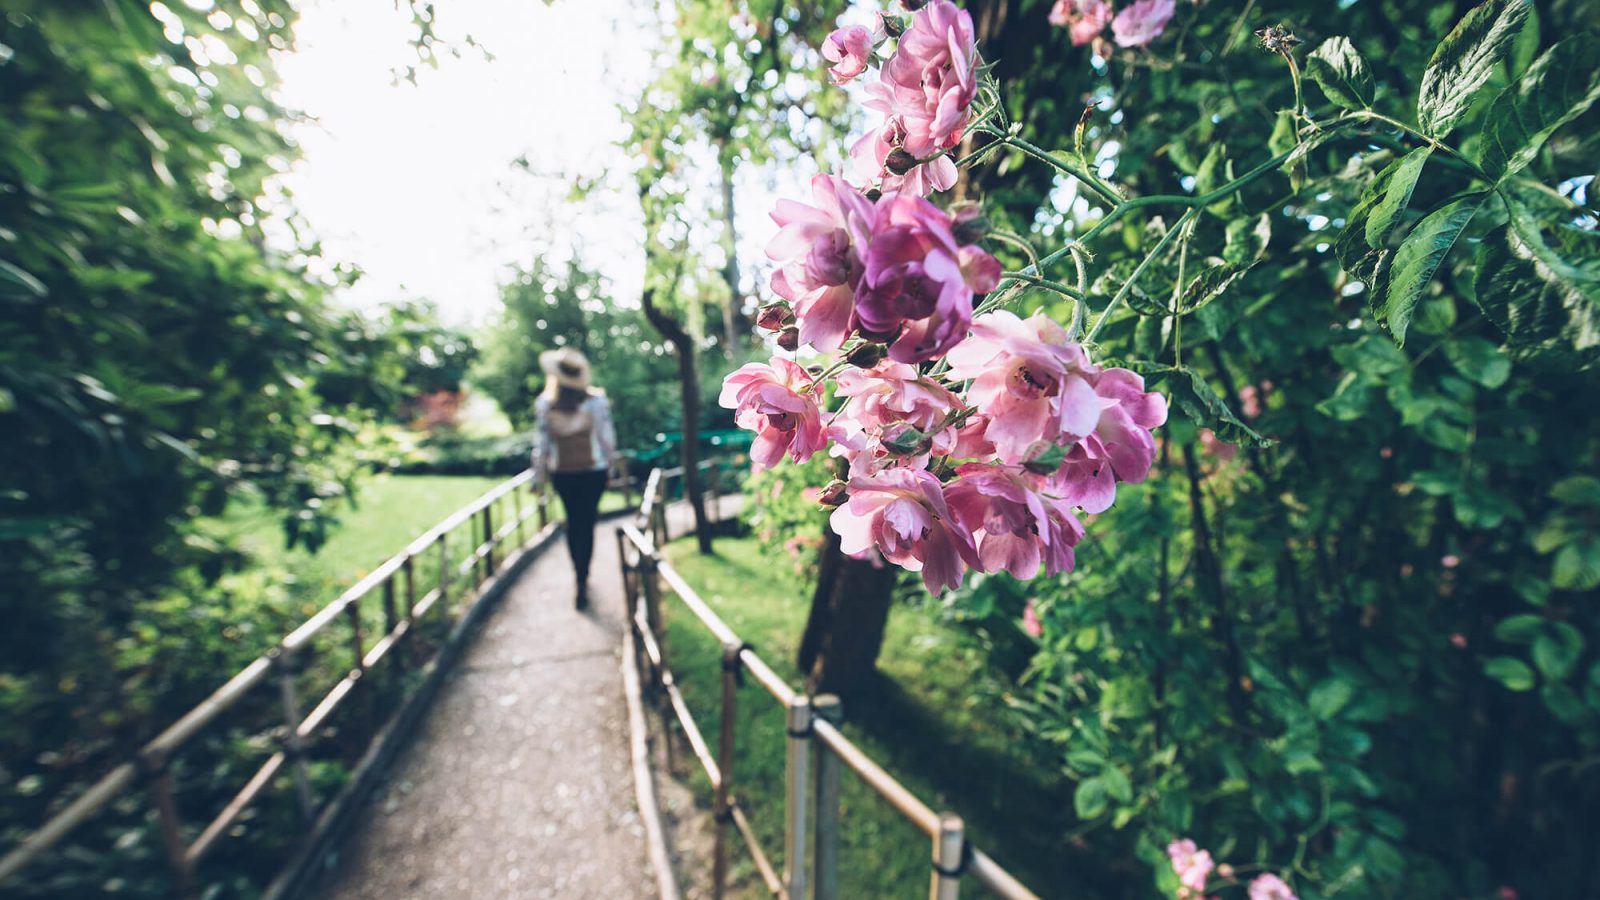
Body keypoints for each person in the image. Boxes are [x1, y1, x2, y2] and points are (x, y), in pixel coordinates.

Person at [531, 347, 616, 609]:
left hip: (563, 474)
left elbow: (542, 445)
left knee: (573, 523)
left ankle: (578, 576)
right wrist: (610, 469)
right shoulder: (596, 402)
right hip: (593, 472)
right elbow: (606, 439)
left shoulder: (546, 405)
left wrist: (538, 477)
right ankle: (583, 574)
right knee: (587, 524)